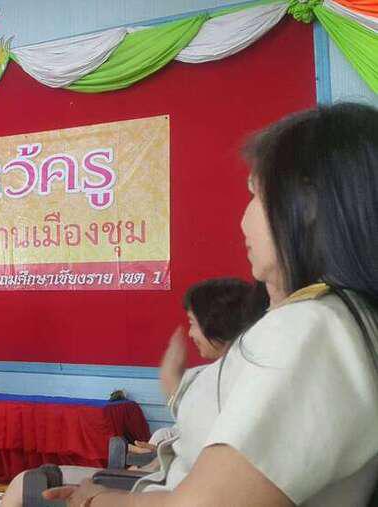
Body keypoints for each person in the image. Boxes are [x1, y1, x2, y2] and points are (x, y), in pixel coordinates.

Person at [36, 103, 378, 506]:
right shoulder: (333, 318)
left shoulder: (310, 329)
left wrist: (95, 499)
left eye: (255, 195)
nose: (243, 220)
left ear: (309, 205)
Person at [0, 278, 268, 505]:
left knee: (24, 482)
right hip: (152, 484)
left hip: (149, 492)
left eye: (193, 323)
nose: (190, 334)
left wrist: (172, 386)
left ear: (215, 323)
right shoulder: (231, 374)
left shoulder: (222, 381)